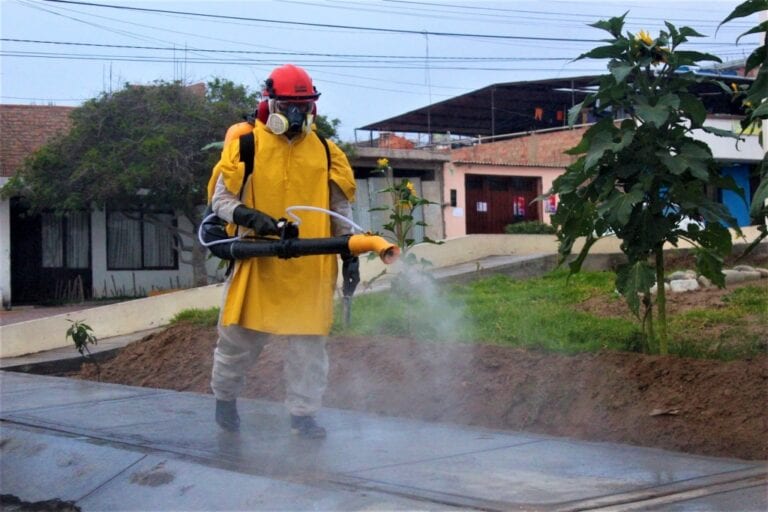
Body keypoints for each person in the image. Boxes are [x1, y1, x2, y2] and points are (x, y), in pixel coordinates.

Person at [208, 64, 358, 438]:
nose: (296, 116)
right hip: (258, 263)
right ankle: (225, 401)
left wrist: (350, 254)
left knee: (309, 352)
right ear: (269, 104)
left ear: (313, 108)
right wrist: (246, 215)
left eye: (303, 107)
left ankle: (303, 416)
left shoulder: (326, 151)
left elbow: (341, 211)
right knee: (236, 342)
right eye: (289, 107)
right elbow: (220, 199)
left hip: (310, 266)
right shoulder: (246, 145)